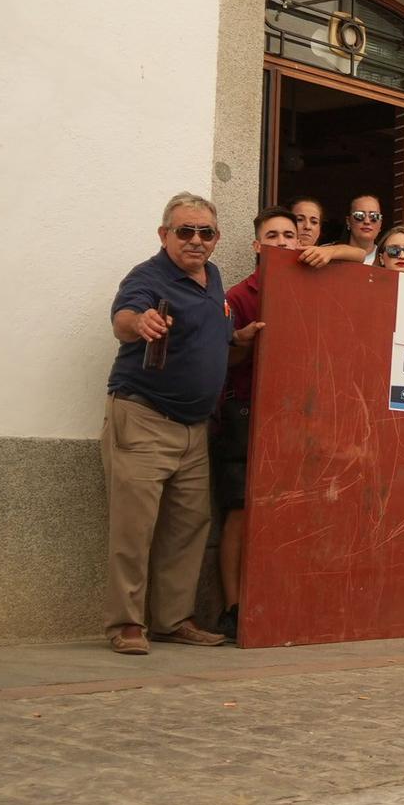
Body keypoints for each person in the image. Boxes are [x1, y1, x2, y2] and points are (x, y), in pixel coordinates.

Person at [100, 192, 248, 654]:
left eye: (206, 233)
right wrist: (139, 322)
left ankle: (172, 619)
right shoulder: (148, 277)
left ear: (217, 238)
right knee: (134, 527)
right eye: (185, 231)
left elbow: (213, 335)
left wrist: (240, 337)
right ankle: (126, 624)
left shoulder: (213, 277)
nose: (196, 241)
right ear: (164, 235)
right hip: (144, 417)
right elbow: (124, 318)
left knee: (189, 526)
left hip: (194, 427)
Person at [212, 207, 302, 640]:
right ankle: (231, 607)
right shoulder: (237, 297)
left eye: (290, 235)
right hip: (245, 412)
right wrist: (241, 343)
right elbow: (223, 364)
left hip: (300, 413)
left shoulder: (313, 284)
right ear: (256, 245)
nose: (283, 242)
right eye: (273, 235)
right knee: (240, 513)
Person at [297, 192, 387, 268]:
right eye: (359, 215)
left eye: (374, 216)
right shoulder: (324, 251)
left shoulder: (389, 257)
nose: (367, 221)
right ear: (348, 221)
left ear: (380, 224)